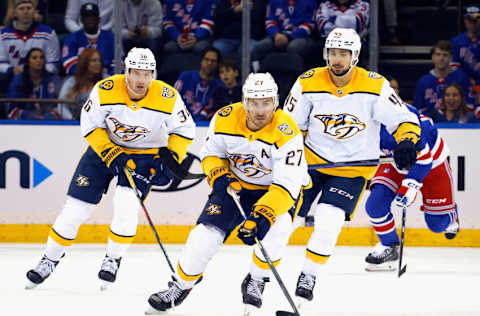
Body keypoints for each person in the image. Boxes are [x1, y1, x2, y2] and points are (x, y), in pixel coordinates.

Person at [25, 47, 196, 290]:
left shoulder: (168, 96)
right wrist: (110, 151)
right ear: (126, 72)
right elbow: (90, 125)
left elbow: (183, 131)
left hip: (145, 157)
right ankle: (49, 259)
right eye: (136, 73)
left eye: (147, 74)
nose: (142, 80)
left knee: (126, 207)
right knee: (75, 209)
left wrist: (170, 159)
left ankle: (113, 259)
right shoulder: (105, 90)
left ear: (154, 74)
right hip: (103, 152)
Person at [145, 72, 310, 314]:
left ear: (275, 102)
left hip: (277, 192)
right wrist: (219, 175)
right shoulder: (224, 118)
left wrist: (262, 214)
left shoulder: (287, 131)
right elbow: (211, 155)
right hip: (236, 187)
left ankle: (257, 279)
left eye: (266, 103)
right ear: (245, 102)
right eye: (254, 103)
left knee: (278, 231)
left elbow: (287, 184)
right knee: (204, 236)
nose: (261, 110)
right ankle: (181, 285)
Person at [283, 28, 421, 305]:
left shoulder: (375, 85)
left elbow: (403, 120)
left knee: (328, 223)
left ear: (354, 56)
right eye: (333, 52)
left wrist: (407, 140)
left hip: (351, 170)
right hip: (310, 164)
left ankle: (308, 276)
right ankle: (258, 277)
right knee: (283, 223)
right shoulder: (308, 81)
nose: (337, 59)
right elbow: (287, 125)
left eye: (343, 53)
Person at [365, 103, 459, 271]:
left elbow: (424, 161)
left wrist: (410, 186)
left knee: (437, 225)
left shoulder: (413, 125)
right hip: (395, 163)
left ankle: (451, 216)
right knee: (375, 204)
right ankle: (390, 247)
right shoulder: (364, 118)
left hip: (431, 164)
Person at [251, 0, 317, 73]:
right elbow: (269, 21)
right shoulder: (274, 1)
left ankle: (298, 79)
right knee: (258, 48)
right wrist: (276, 34)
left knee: (294, 47)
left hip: (300, 37)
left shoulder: (310, 2)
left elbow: (309, 25)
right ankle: (256, 76)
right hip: (278, 36)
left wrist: (289, 36)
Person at [413, 40, 475, 117]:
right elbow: (418, 109)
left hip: (458, 124)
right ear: (432, 57)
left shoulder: (462, 77)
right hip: (431, 123)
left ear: (451, 58)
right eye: (438, 54)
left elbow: (470, 105)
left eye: (445, 55)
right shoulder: (423, 81)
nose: (441, 58)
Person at [0, 0, 60, 76]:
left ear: (34, 11)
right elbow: (1, 63)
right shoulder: (3, 35)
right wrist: (12, 70)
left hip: (42, 79)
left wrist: (35, 72)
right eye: (21, 9)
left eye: (29, 8)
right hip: (12, 79)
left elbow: (54, 64)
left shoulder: (48, 33)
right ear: (15, 13)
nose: (26, 12)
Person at [7, 47, 61, 120]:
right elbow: (12, 109)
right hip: (24, 123)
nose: (38, 60)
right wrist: (30, 116)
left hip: (49, 122)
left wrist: (47, 117)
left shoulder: (53, 79)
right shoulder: (18, 80)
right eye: (34, 58)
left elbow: (61, 106)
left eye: (41, 58)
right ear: (28, 62)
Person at [62, 3, 115, 76]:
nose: (90, 20)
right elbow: (68, 63)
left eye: (93, 17)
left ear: (98, 19)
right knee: (66, 86)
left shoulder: (110, 37)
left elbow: (119, 62)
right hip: (80, 77)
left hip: (105, 77)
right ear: (81, 20)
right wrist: (88, 75)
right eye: (86, 17)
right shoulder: (73, 38)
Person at [174, 47, 224, 121]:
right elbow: (173, 99)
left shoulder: (220, 85)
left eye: (213, 61)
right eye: (207, 59)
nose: (209, 63)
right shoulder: (185, 76)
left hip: (206, 125)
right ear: (201, 61)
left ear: (217, 64)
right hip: (181, 121)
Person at [58, 48, 104, 120]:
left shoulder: (106, 81)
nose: (98, 63)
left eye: (99, 60)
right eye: (94, 60)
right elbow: (61, 106)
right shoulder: (71, 82)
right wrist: (71, 120)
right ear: (85, 62)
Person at [451, 4, 480, 84]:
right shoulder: (456, 41)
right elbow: (454, 66)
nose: (473, 22)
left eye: (477, 18)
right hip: (463, 84)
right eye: (470, 19)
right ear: (465, 20)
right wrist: (467, 79)